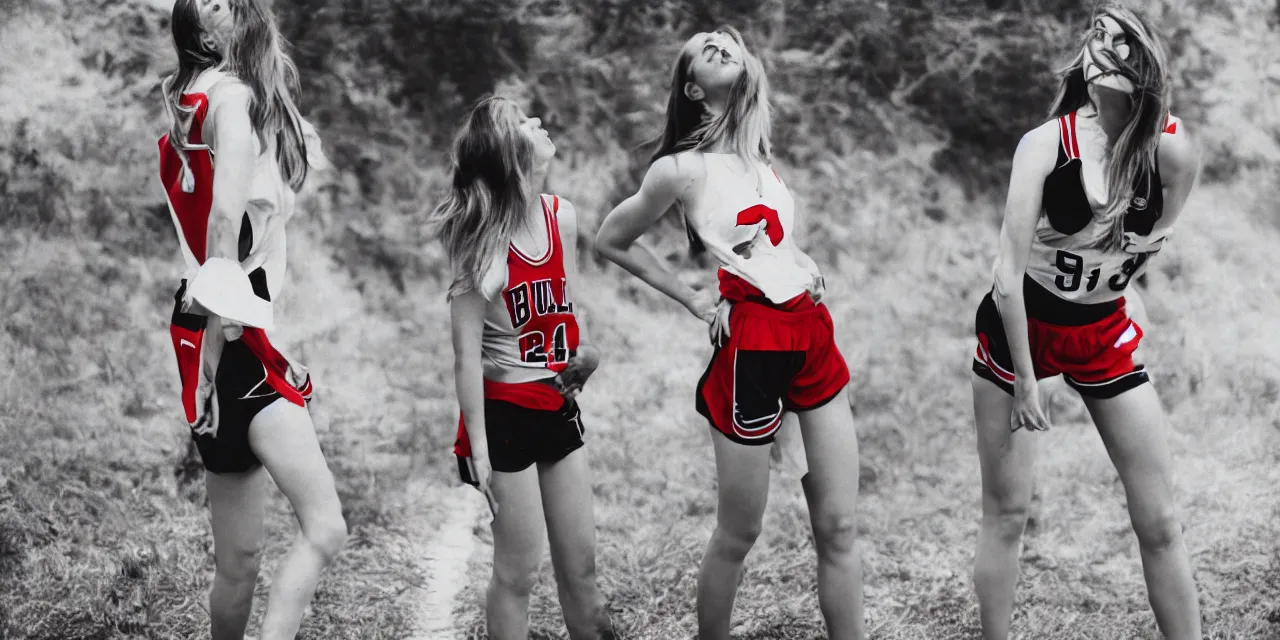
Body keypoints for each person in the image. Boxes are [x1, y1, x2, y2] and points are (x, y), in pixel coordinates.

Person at [595, 27, 866, 640]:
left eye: (726, 42)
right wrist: (690, 293)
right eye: (702, 49)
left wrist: (804, 265)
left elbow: (769, 242)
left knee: (841, 526)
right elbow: (612, 239)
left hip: (811, 335)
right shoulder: (678, 169)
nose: (717, 42)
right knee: (741, 531)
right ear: (692, 87)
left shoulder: (761, 159)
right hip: (753, 349)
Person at [968, 5, 1202, 639]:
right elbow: (1007, 276)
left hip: (1100, 333)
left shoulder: (1173, 150)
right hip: (1023, 327)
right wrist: (1024, 380)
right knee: (1009, 512)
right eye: (1097, 32)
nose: (1104, 43)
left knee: (1158, 521)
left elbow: (1145, 242)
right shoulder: (1046, 146)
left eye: (1122, 37)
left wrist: (1128, 294)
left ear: (1146, 60)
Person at [158, 1, 347, 638]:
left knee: (238, 562)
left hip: (203, 327)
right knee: (325, 528)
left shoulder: (189, 100)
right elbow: (223, 228)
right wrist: (219, 346)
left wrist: (217, 344)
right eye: (209, 3)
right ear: (201, 30)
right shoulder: (234, 97)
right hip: (222, 332)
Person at [428, 96, 615, 640]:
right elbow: (466, 356)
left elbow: (573, 316)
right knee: (517, 573)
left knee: (581, 570)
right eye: (525, 124)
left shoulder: (563, 216)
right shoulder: (480, 243)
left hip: (556, 405)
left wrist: (589, 357)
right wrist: (479, 450)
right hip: (506, 414)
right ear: (511, 154)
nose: (539, 123)